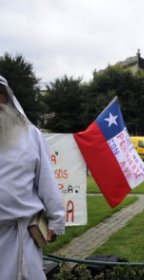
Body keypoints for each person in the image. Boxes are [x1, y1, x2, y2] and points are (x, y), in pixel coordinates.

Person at [0, 75, 65, 280]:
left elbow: (46, 180)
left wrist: (56, 220)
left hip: (21, 237)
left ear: (7, 99)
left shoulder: (31, 135)